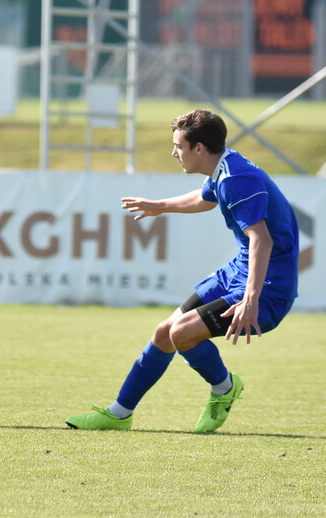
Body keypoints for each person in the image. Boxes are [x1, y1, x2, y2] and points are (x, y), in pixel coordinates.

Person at [66, 108, 299, 433]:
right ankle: (118, 414)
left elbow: (262, 239)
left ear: (199, 148)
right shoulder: (224, 168)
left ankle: (224, 388)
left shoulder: (236, 179)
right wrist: (160, 206)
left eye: (179, 146)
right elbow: (206, 199)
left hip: (268, 286)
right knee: (165, 332)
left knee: (181, 334)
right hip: (238, 272)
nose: (174, 152)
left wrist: (251, 299)